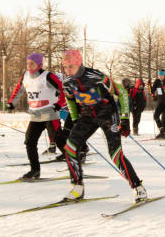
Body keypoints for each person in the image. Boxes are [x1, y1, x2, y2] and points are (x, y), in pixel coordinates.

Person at [61, 50, 147, 202]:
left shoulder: (95, 76)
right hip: (87, 116)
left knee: (115, 154)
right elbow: (70, 100)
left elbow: (121, 92)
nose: (68, 70)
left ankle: (138, 187)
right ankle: (77, 187)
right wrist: (75, 119)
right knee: (70, 148)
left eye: (71, 67)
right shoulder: (67, 82)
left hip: (108, 115)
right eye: (65, 67)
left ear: (79, 63)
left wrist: (125, 118)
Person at [7, 53, 67, 179]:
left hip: (50, 113)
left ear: (39, 64)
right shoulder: (25, 76)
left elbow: (63, 90)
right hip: (35, 115)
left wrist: (59, 104)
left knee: (59, 141)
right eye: (27, 63)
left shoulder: (48, 76)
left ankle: (75, 165)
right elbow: (19, 89)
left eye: (32, 64)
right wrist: (12, 103)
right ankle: (35, 170)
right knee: (29, 141)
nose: (29, 66)